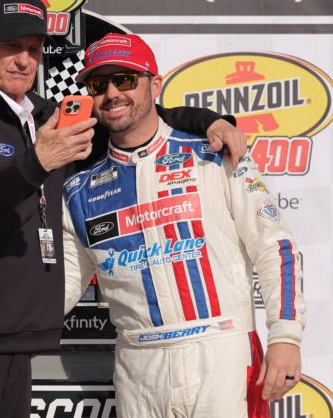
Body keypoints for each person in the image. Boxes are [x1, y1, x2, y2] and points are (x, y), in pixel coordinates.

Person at [0, 0, 246, 418]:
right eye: (9, 46)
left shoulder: (46, 118)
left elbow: (133, 118)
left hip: (9, 338)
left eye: (32, 48)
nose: (23, 60)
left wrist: (207, 121)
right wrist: (39, 161)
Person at [63, 33, 306, 418]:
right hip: (137, 364)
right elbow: (65, 283)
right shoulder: (78, 187)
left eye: (125, 80)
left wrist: (286, 336)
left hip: (220, 350)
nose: (112, 93)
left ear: (154, 85)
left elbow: (274, 245)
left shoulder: (214, 152)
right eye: (98, 84)